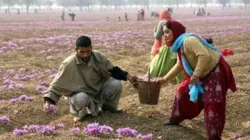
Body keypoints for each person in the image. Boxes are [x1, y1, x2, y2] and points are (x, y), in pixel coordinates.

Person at [157, 20, 237, 140]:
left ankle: (213, 136)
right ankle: (175, 118)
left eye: (167, 32)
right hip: (200, 73)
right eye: (164, 33)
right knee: (182, 91)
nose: (165, 36)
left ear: (176, 31)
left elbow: (204, 55)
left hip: (214, 71)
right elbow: (180, 64)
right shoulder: (179, 45)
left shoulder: (189, 40)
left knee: (212, 104)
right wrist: (164, 79)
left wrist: (195, 75)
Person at [43, 36, 138, 122]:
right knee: (81, 98)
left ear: (91, 48)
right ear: (76, 50)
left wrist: (129, 77)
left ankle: (109, 107)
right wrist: (47, 102)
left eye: (88, 51)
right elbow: (56, 85)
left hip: (96, 92)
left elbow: (112, 70)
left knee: (116, 84)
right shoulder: (68, 64)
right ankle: (80, 114)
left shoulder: (97, 57)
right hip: (80, 95)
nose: (85, 55)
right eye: (82, 52)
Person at [149, 10, 183, 82]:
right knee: (179, 63)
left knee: (160, 64)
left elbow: (157, 36)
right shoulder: (171, 22)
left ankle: (157, 77)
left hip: (168, 47)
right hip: (176, 45)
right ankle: (181, 81)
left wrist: (154, 32)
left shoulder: (162, 22)